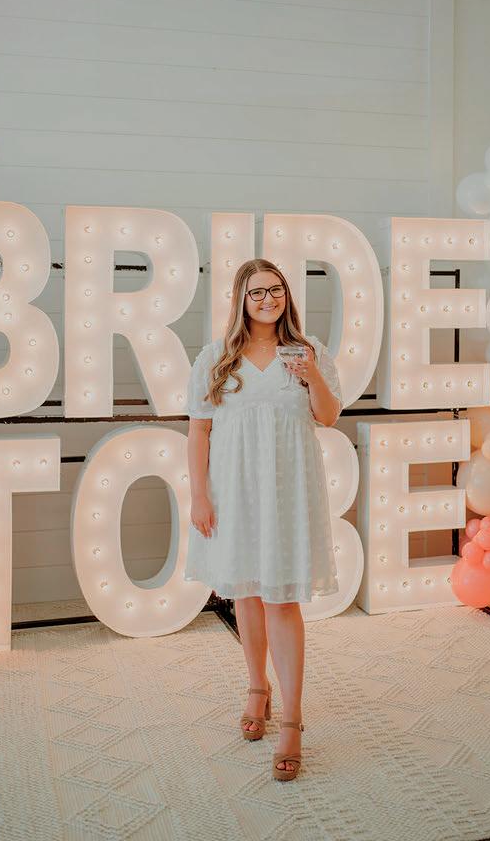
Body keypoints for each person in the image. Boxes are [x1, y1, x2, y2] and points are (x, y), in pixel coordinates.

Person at [183, 258, 343, 781]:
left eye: (276, 290)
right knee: (246, 594)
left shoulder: (307, 350)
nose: (268, 299)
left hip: (288, 494)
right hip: (233, 493)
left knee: (282, 600)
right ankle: (257, 687)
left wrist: (311, 375)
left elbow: (328, 416)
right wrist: (199, 495)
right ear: (241, 300)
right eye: (257, 292)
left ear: (286, 296)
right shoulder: (216, 358)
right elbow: (199, 431)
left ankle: (292, 719)